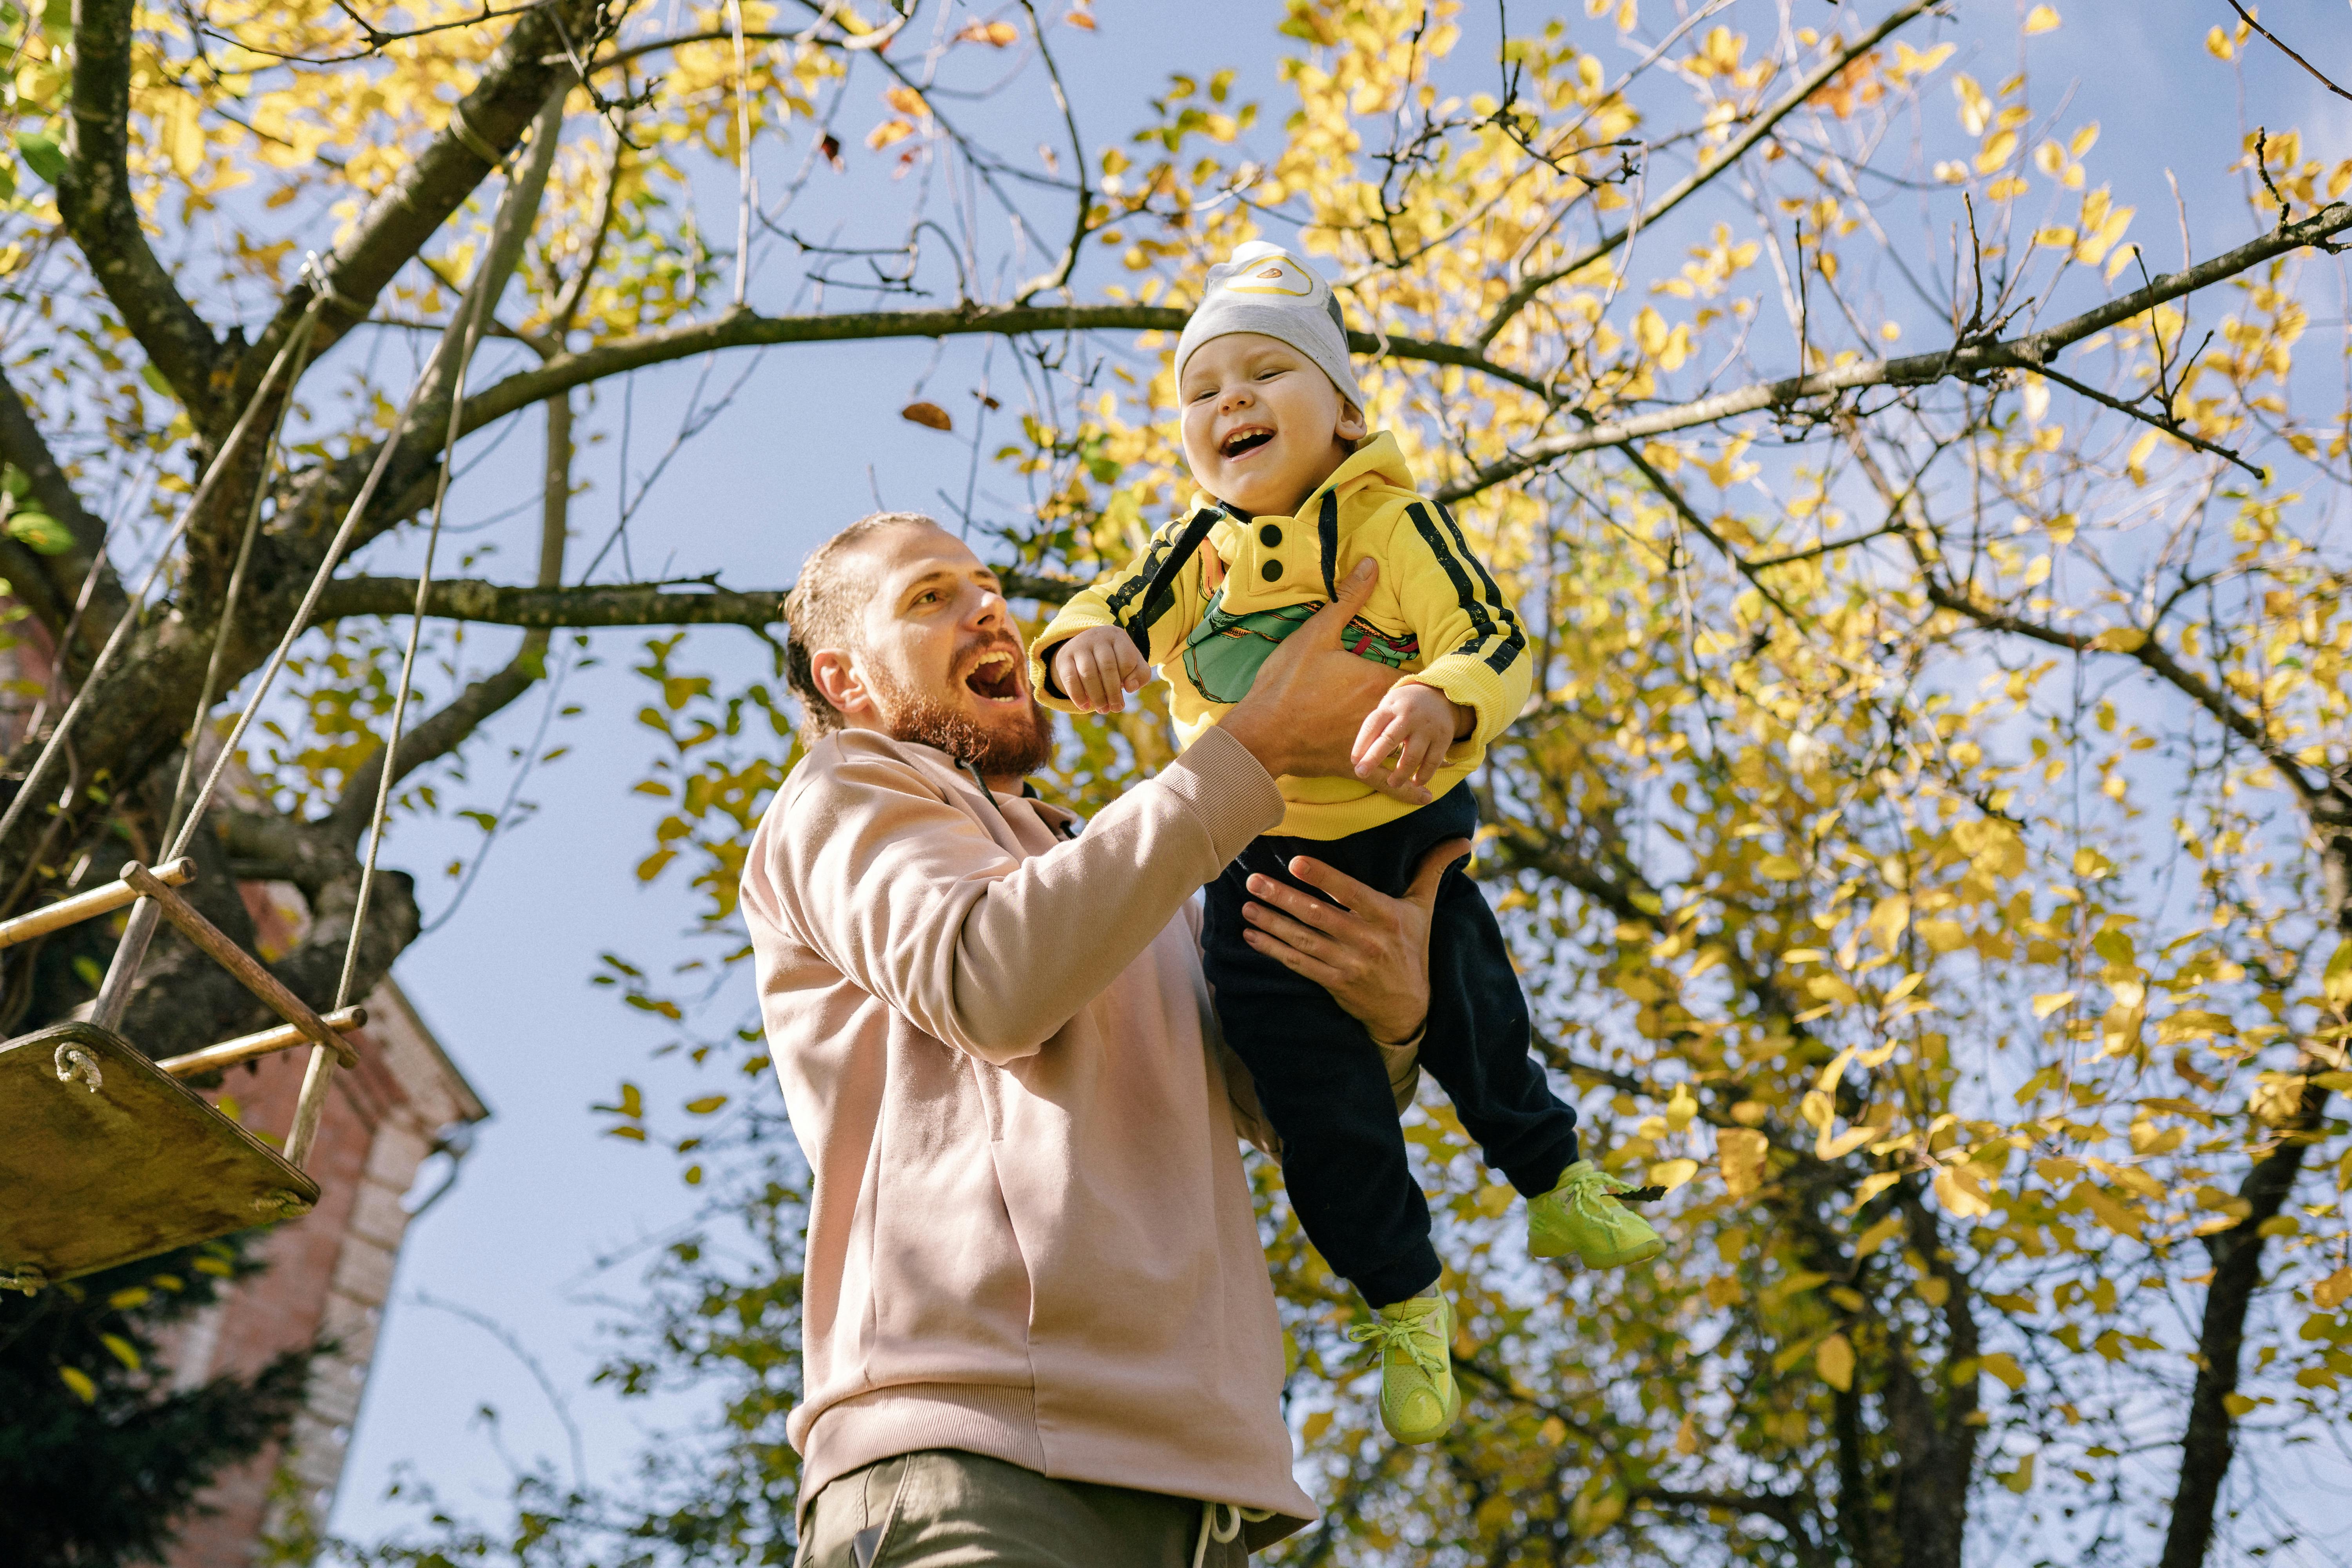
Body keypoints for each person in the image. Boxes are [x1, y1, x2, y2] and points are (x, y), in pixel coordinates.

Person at [1029, 241, 1663, 1449]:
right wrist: (1078, 651)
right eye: (1204, 390)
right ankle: (1404, 1303)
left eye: (1267, 373)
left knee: (1477, 1008)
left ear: (1348, 412)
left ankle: (1555, 1178)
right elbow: (1108, 609)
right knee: (1318, 1109)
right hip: (1255, 859)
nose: (1232, 401)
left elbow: (1491, 636)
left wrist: (1440, 698)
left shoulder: (1392, 520)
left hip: (1402, 830)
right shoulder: (1195, 549)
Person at [743, 510, 1467, 1567]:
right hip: (974, 1461)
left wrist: (1395, 1014)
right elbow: (991, 981)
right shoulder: (843, 790)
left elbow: (1288, 1105)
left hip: (1206, 1498)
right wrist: (1248, 750)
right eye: (930, 597)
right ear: (845, 681)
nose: (987, 609)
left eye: (988, 588)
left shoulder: (1127, 878)